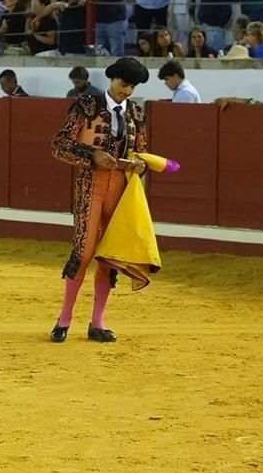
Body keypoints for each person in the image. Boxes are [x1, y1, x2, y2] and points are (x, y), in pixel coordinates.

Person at [47, 57, 173, 344]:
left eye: (132, 87)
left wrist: (139, 165)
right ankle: (64, 319)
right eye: (123, 84)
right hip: (90, 186)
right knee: (83, 253)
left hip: (121, 190)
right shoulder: (86, 106)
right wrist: (92, 155)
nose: (126, 91)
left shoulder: (137, 114)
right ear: (112, 79)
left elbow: (140, 151)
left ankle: (98, 323)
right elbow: (59, 145)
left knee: (110, 255)